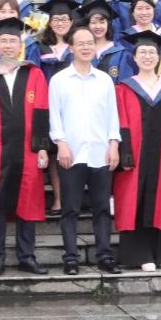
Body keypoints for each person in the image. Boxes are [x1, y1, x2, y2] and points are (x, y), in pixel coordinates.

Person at [0, 17, 51, 277]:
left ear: (20, 45)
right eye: (3, 41)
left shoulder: (34, 73)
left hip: (28, 150)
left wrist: (42, 147)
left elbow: (41, 111)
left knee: (29, 201)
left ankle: (27, 257)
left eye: (13, 41)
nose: (8, 45)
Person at [49, 24, 122, 276]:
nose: (86, 47)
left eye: (90, 43)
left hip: (101, 153)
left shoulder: (104, 80)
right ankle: (71, 258)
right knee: (70, 208)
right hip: (71, 153)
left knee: (102, 208)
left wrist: (114, 144)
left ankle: (105, 256)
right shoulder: (59, 80)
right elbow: (55, 116)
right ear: (71, 48)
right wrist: (60, 144)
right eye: (80, 43)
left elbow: (112, 115)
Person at [114, 30, 161, 272]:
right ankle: (140, 254)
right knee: (134, 201)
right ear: (134, 57)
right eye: (142, 52)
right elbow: (121, 122)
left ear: (159, 57)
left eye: (151, 52)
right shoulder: (124, 88)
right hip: (134, 156)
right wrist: (125, 152)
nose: (147, 56)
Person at [120, 0, 161, 75]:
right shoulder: (125, 38)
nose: (144, 12)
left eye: (148, 8)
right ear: (132, 12)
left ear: (154, 10)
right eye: (139, 8)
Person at [79, 0, 133, 82]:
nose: (98, 26)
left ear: (108, 24)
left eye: (102, 22)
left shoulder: (121, 53)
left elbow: (125, 83)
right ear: (87, 25)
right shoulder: (81, 50)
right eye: (93, 22)